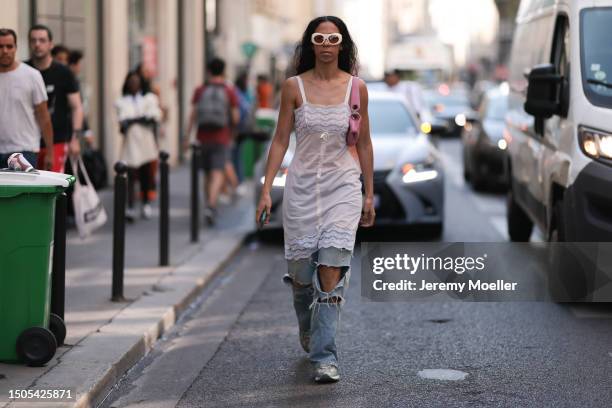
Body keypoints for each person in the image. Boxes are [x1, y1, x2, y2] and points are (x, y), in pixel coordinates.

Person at [255, 16, 375, 383]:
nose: (326, 43)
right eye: (319, 37)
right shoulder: (293, 87)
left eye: (332, 37)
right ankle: (308, 327)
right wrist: (266, 189)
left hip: (342, 187)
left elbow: (365, 144)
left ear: (342, 44)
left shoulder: (357, 88)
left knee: (331, 271)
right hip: (302, 188)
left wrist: (369, 194)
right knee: (302, 276)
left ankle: (325, 356)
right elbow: (280, 140)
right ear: (311, 44)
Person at [184, 57, 239, 226]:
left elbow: (193, 115)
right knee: (218, 173)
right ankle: (211, 204)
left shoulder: (200, 90)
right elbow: (235, 117)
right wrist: (232, 132)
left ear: (208, 71)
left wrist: (187, 137)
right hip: (221, 137)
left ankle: (209, 202)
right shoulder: (229, 91)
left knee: (207, 174)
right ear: (223, 71)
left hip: (202, 137)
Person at [26, 24, 83, 172]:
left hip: (57, 140)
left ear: (51, 44)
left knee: (52, 187)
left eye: (42, 40)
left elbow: (76, 107)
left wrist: (75, 138)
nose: (37, 44)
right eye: (33, 40)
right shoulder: (23, 71)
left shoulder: (63, 72)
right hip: (26, 142)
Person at [0, 28, 53, 168]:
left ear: (15, 48)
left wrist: (50, 152)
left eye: (9, 46)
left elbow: (44, 116)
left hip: (24, 150)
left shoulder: (31, 75)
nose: (5, 51)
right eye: (0, 46)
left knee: (22, 190)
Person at [115, 71, 162, 220]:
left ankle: (146, 203)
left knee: (146, 174)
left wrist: (133, 120)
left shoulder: (148, 99)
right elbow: (122, 123)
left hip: (146, 140)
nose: (134, 84)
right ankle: (130, 206)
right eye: (131, 81)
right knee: (129, 175)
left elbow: (153, 118)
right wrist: (138, 119)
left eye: (136, 81)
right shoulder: (122, 101)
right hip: (131, 141)